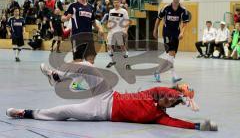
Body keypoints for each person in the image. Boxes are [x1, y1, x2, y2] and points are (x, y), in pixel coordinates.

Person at [6, 61, 218, 132]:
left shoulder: (159, 116)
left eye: (170, 101)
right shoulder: (154, 93)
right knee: (88, 67)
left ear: (168, 107)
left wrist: (198, 126)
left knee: (63, 112)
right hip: (107, 94)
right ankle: (57, 76)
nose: (167, 98)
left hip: (102, 112)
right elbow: (170, 89)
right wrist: (182, 91)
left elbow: (178, 124)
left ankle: (25, 113)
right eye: (168, 96)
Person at [153, 0, 189, 83]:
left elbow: (185, 24)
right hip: (167, 32)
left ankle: (158, 71)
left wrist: (182, 32)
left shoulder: (183, 10)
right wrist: (155, 30)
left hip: (176, 33)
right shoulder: (166, 8)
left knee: (172, 56)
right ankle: (173, 76)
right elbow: (158, 19)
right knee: (171, 53)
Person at [61, 0, 104, 64]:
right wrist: (66, 18)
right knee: (78, 61)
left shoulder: (90, 7)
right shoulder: (73, 6)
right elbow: (63, 18)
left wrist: (100, 28)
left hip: (89, 37)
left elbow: (93, 22)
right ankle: (59, 73)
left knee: (91, 61)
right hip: (77, 37)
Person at [106, 0, 130, 69]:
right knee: (109, 46)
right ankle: (112, 61)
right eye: (114, 2)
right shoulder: (111, 11)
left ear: (120, 3)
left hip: (120, 31)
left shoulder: (124, 11)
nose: (116, 4)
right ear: (113, 3)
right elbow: (109, 20)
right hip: (111, 31)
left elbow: (128, 21)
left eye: (117, 2)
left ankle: (127, 63)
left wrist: (125, 30)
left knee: (122, 46)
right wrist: (108, 25)